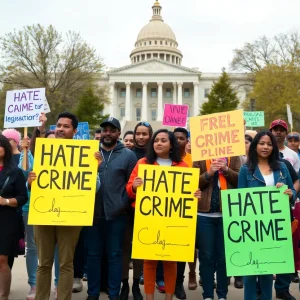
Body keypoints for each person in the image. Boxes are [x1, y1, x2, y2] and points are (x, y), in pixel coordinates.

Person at [126, 129, 201, 300]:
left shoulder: (182, 166)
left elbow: (187, 199)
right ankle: (149, 298)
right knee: (149, 262)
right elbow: (129, 191)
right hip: (149, 219)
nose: (158, 143)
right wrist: (135, 187)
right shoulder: (143, 163)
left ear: (171, 144)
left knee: (170, 261)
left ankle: (169, 297)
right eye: (156, 140)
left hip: (173, 221)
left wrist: (195, 196)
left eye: (163, 140)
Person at [238, 131, 296, 300]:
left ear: (273, 147)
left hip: (273, 227)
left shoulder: (282, 167)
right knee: (250, 272)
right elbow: (241, 199)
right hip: (252, 228)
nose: (265, 147)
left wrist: (289, 193)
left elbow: (292, 191)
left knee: (267, 272)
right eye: (262, 143)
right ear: (255, 146)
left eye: (269, 144)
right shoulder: (245, 170)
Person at [32, 112, 84, 300]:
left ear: (74, 130)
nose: (61, 129)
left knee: (66, 264)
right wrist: (30, 182)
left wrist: (95, 166)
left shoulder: (84, 153)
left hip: (70, 216)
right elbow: (31, 181)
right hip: (44, 213)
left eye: (66, 126)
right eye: (59, 126)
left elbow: (95, 186)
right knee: (43, 264)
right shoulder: (44, 150)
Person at [84, 117, 137, 300]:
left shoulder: (128, 156)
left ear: (118, 133)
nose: (107, 133)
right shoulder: (89, 152)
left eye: (112, 130)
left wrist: (121, 203)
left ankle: (114, 294)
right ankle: (93, 294)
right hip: (92, 213)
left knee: (115, 256)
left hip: (117, 215)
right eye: (105, 129)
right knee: (93, 255)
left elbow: (131, 184)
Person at [193, 151, 241, 300]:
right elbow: (192, 183)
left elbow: (240, 180)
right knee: (206, 257)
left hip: (227, 214)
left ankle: (222, 295)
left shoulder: (234, 156)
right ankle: (207, 294)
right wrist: (208, 173)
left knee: (223, 257)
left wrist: (226, 169)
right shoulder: (199, 156)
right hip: (204, 215)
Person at [120, 122, 154, 300]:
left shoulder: (153, 157)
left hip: (148, 210)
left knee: (140, 249)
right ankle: (124, 284)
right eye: (138, 134)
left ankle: (136, 284)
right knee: (126, 247)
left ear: (150, 135)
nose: (141, 137)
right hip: (128, 208)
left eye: (145, 134)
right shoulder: (127, 154)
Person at [270, 120, 300, 300]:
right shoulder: (252, 163)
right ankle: (261, 286)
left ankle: (282, 287)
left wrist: (292, 193)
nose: (278, 133)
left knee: (285, 250)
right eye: (275, 130)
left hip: (283, 212)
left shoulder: (286, 163)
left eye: (282, 131)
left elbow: (296, 180)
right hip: (261, 215)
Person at [0, 134, 28, 300]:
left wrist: (6, 201)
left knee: (2, 259)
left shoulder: (15, 171)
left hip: (7, 219)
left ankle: (3, 296)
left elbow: (23, 197)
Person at [173, 128, 196, 299]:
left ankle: (178, 283)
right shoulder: (164, 157)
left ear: (187, 140)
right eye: (176, 138)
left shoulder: (192, 160)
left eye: (182, 138)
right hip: (164, 209)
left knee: (181, 251)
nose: (179, 141)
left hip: (185, 210)